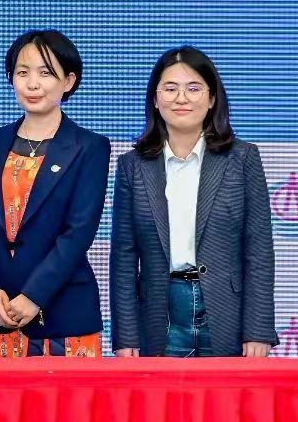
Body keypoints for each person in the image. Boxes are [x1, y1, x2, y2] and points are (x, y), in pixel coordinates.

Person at [111, 46, 278, 358]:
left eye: (193, 88)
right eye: (170, 88)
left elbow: (258, 251)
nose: (181, 98)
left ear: (212, 98)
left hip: (227, 314)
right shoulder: (132, 166)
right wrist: (126, 337)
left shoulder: (242, 159)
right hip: (160, 315)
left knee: (225, 393)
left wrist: (258, 329)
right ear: (155, 99)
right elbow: (123, 259)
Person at [0, 30, 111, 358]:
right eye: (22, 72)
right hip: (0, 312)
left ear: (68, 81)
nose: (32, 84)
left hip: (65, 314)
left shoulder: (90, 147)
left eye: (46, 73)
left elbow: (78, 233)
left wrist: (34, 296)